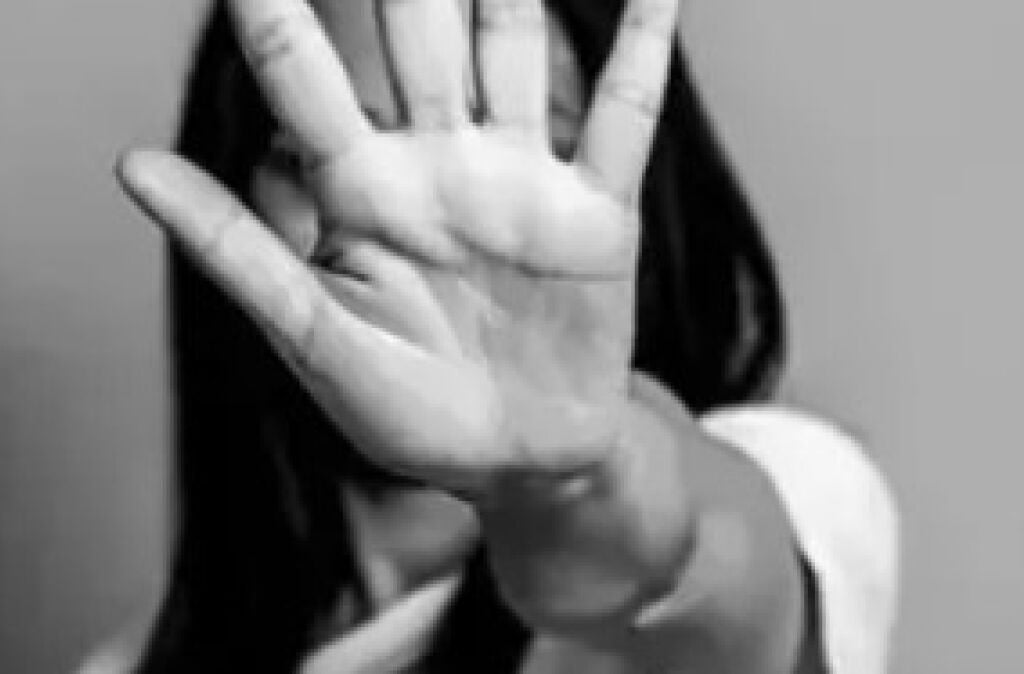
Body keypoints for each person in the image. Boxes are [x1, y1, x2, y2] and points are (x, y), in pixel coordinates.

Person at [99, 0, 899, 671]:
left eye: (536, 152)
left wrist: (562, 483)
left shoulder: (798, 478)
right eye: (315, 160)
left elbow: (705, 577)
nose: (414, 232)